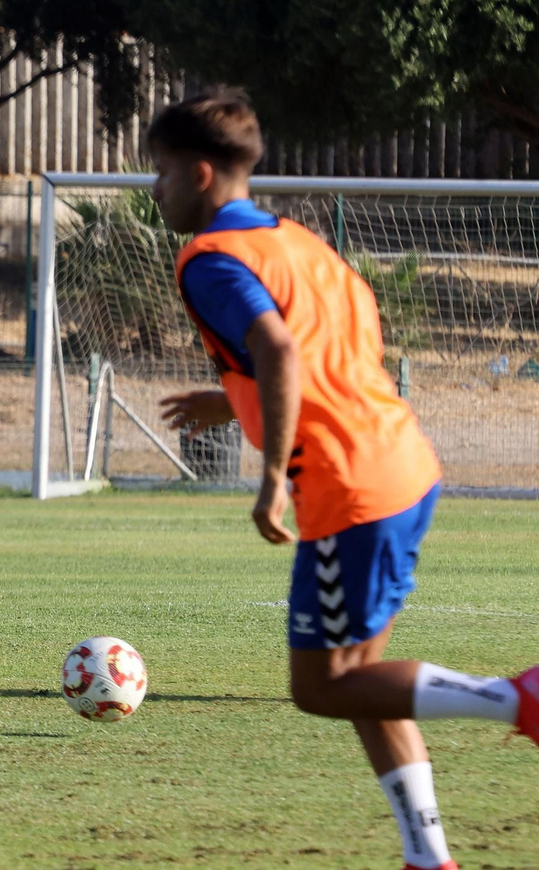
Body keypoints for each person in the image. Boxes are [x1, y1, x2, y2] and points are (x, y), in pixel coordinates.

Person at [151, 89, 538, 870]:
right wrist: (230, 400)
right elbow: (326, 352)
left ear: (199, 174)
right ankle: (429, 858)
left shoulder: (210, 260)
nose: (153, 190)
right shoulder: (302, 243)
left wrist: (272, 476)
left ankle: (520, 698)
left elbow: (280, 351)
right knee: (366, 682)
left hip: (345, 485)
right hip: (399, 463)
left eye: (159, 173)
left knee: (322, 687)